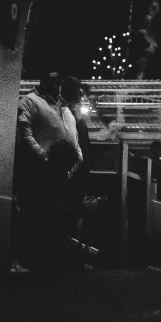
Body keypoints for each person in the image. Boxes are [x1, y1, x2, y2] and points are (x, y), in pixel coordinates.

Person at [13, 72, 80, 272]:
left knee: (52, 218)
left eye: (58, 84)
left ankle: (45, 260)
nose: (57, 88)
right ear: (43, 84)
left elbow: (73, 141)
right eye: (52, 83)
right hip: (37, 172)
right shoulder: (29, 102)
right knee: (35, 215)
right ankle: (27, 260)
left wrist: (70, 166)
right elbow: (25, 134)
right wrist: (43, 157)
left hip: (59, 172)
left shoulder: (62, 110)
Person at [56, 75, 93, 270]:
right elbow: (82, 154)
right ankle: (71, 260)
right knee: (72, 220)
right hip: (74, 177)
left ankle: (65, 259)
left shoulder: (61, 113)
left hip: (64, 176)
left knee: (64, 219)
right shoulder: (77, 118)